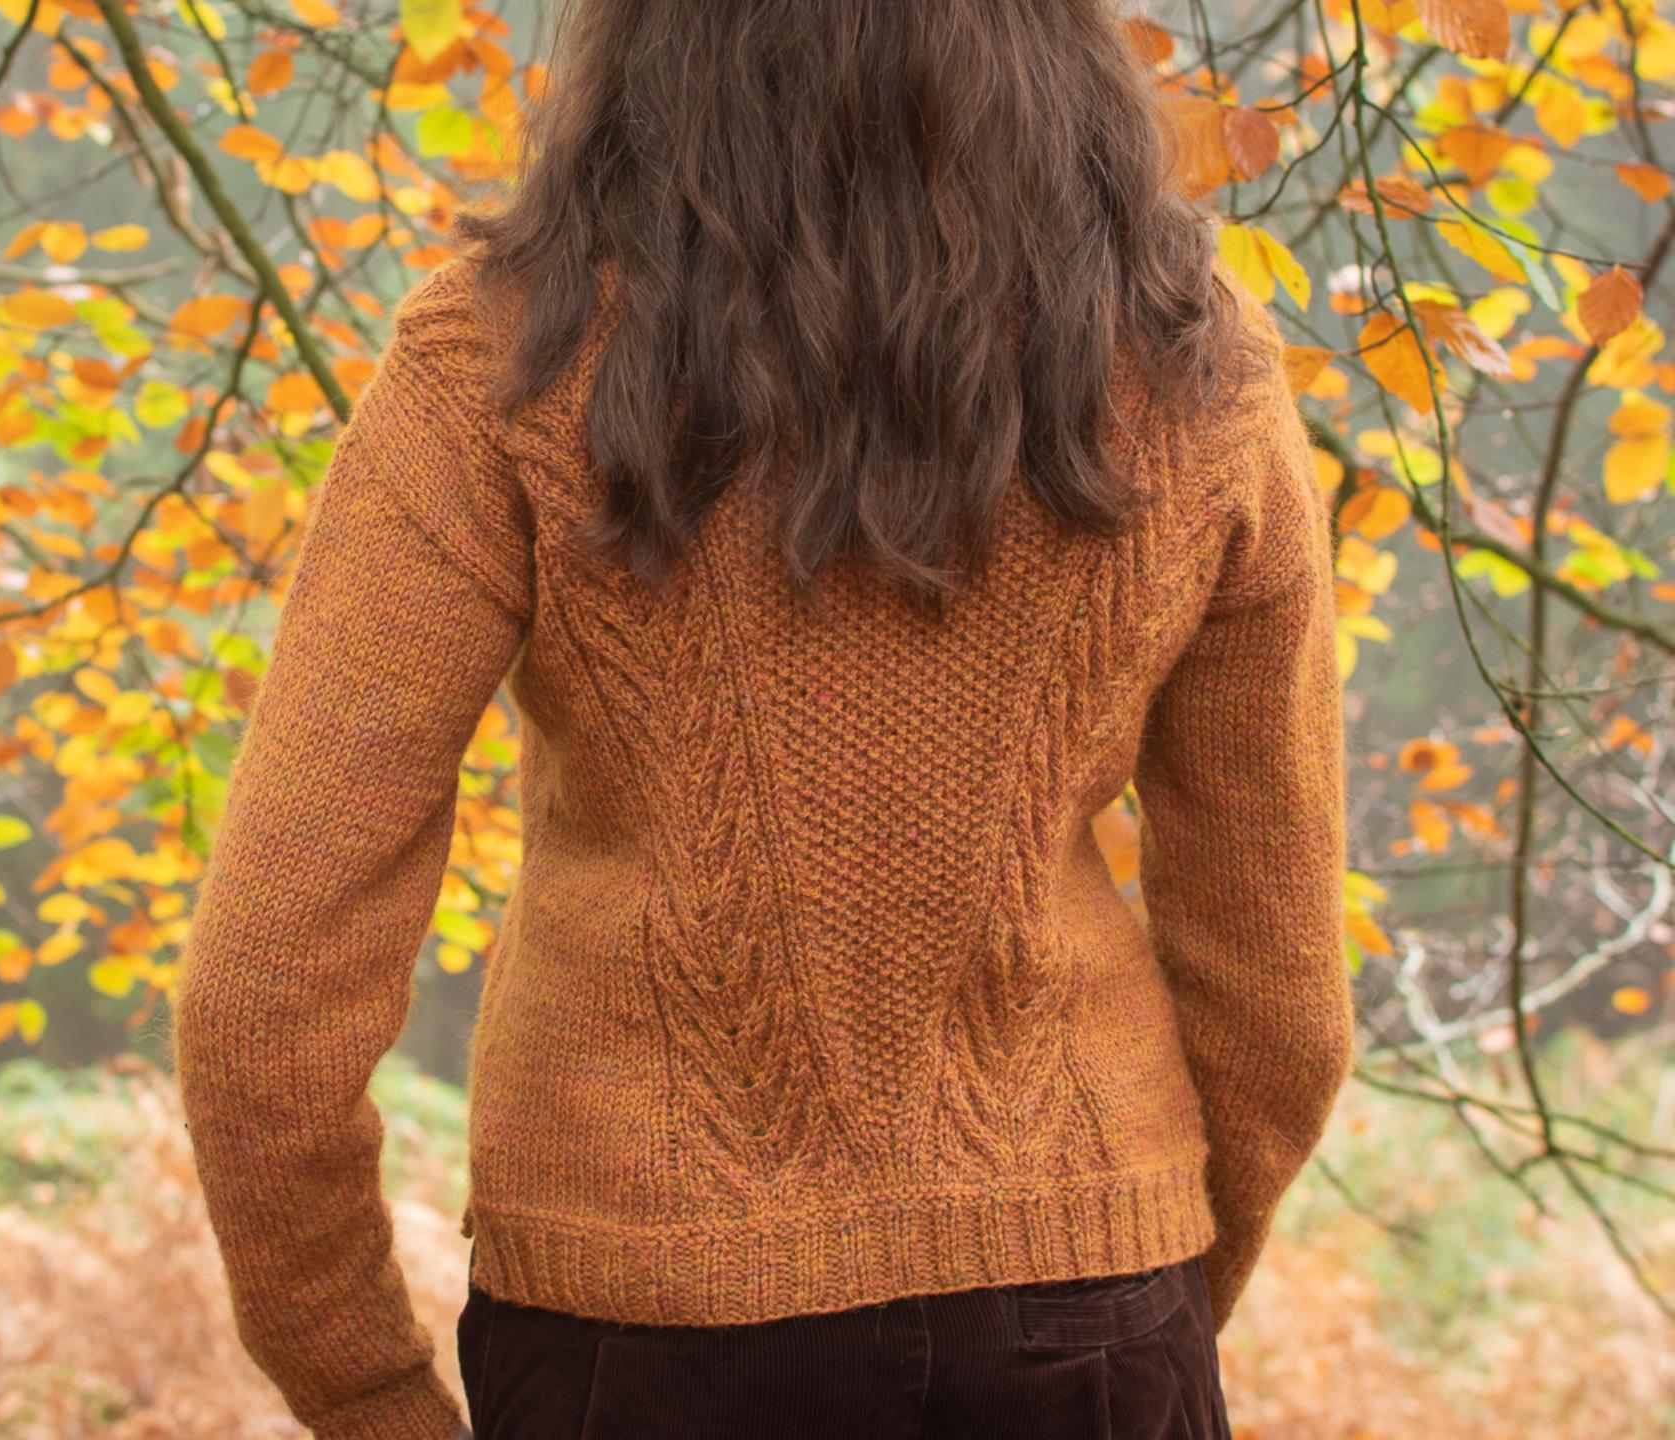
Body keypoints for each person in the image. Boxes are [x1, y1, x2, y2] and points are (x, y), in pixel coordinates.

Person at [169, 0, 1359, 1435]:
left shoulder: (507, 357)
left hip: (637, 1332)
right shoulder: (1198, 374)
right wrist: (1135, 1270)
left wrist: (364, 1389)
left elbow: (262, 1000)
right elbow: (1282, 1001)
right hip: (1089, 1312)